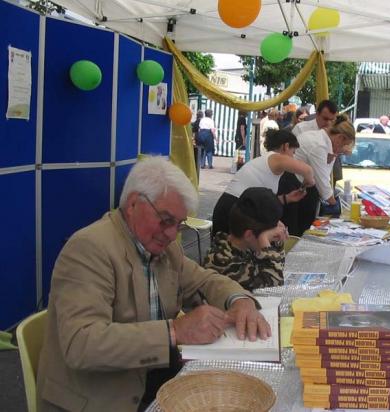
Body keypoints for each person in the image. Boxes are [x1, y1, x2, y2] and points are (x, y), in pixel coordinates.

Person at [37, 157, 270, 412]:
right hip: (101, 398)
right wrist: (175, 331)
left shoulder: (167, 248)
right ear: (133, 204)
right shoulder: (89, 249)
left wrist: (240, 301)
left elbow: (205, 280)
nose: (172, 234)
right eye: (165, 219)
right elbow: (82, 344)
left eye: (179, 224)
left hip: (157, 381)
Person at [212, 129, 315, 236]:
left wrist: (287, 198)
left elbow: (265, 201)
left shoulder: (267, 162)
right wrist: (308, 182)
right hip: (233, 208)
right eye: (293, 152)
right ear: (286, 146)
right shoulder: (276, 158)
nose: (293, 157)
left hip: (233, 207)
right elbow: (308, 170)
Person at [280, 115, 356, 236]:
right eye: (343, 145)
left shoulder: (323, 140)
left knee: (301, 227)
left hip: (300, 184)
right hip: (290, 185)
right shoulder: (319, 145)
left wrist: (334, 154)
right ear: (340, 138)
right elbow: (323, 185)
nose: (342, 150)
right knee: (294, 232)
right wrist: (338, 207)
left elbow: (325, 176)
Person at [204, 187, 288, 291]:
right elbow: (274, 286)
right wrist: (265, 240)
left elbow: (279, 265)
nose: (271, 238)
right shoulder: (223, 261)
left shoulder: (246, 245)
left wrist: (277, 237)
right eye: (269, 234)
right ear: (248, 235)